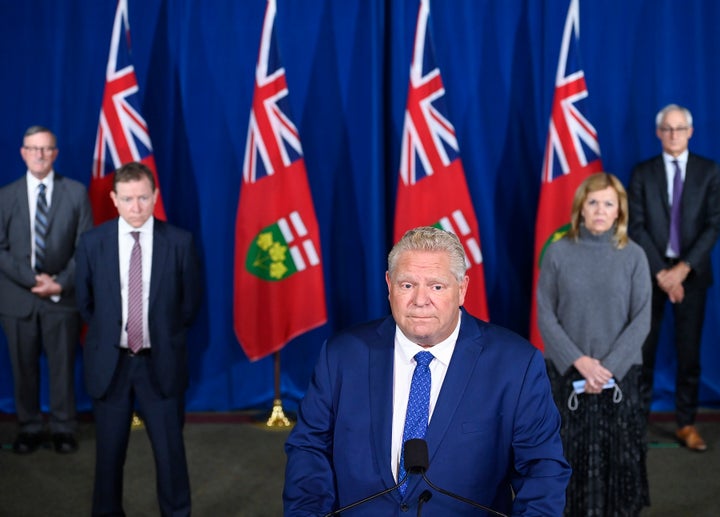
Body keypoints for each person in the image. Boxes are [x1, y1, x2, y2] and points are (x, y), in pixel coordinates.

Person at [284, 226, 570, 516]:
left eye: (436, 286)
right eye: (407, 285)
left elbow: (542, 470)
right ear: (389, 285)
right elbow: (309, 450)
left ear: (462, 289)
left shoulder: (515, 365)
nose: (420, 300)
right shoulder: (342, 356)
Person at [75, 162, 201, 516]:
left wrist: (160, 336)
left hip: (159, 365)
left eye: (143, 198)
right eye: (128, 199)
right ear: (114, 198)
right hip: (110, 366)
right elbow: (85, 304)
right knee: (109, 460)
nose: (136, 207)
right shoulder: (92, 243)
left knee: (170, 456)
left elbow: (190, 305)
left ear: (155, 196)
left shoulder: (179, 242)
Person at [537, 172, 652, 516]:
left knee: (619, 457)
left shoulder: (634, 256)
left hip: (619, 379)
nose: (600, 210)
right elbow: (545, 315)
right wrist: (580, 362)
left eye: (608, 204)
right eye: (593, 203)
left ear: (619, 211)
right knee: (566, 457)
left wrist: (606, 370)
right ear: (580, 209)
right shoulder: (558, 253)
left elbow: (642, 319)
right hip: (569, 377)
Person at [628, 104, 720, 452]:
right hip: (651, 273)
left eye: (680, 129)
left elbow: (714, 224)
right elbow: (635, 226)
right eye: (667, 128)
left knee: (689, 354)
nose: (673, 135)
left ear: (691, 132)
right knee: (643, 352)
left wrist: (682, 270)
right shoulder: (642, 173)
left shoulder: (709, 171)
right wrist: (662, 274)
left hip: (692, 274)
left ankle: (686, 423)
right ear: (658, 132)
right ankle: (636, 424)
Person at [0, 126, 92, 454]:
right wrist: (32, 280)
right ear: (23, 153)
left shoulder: (76, 193)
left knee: (62, 365)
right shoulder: (5, 195)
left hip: (61, 297)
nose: (40, 154)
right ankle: (29, 427)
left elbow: (85, 247)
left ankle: (64, 428)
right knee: (22, 366)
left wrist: (61, 282)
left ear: (55, 153)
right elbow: (1, 249)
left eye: (46, 149)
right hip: (17, 298)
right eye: (33, 148)